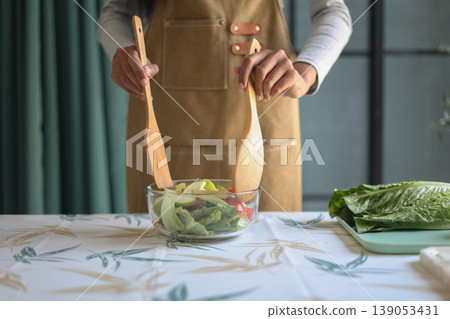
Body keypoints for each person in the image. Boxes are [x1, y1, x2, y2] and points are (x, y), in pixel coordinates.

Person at [98, 0, 352, 213]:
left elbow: (333, 11)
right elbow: (116, 11)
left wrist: (305, 72)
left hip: (266, 120)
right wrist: (120, 50)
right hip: (167, 120)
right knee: (165, 246)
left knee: (267, 253)